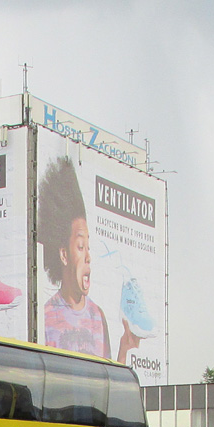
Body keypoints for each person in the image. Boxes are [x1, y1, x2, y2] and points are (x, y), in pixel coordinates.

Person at [38, 155, 139, 363]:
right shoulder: (46, 316)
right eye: (81, 247)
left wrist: (124, 348)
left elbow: (108, 379)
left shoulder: (97, 316)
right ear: (64, 254)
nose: (88, 257)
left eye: (88, 248)